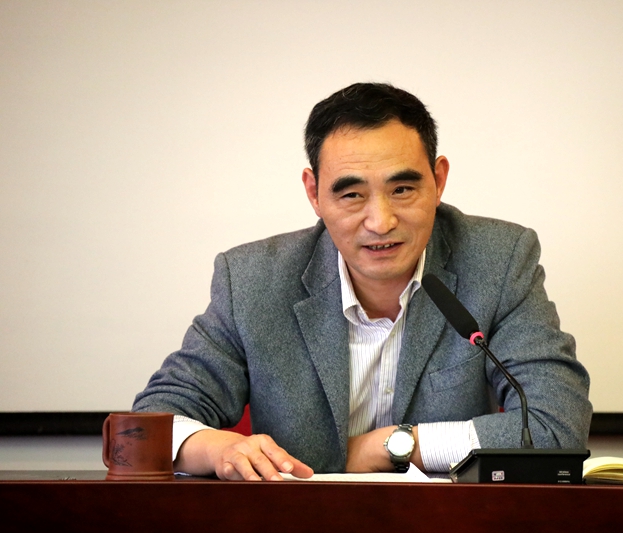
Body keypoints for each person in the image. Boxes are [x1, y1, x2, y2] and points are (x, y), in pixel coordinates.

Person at [132, 82, 592, 481]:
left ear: (438, 180)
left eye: (403, 189)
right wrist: (218, 449)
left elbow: (554, 425)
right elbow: (147, 427)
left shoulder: (498, 261)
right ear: (314, 193)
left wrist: (392, 445)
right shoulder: (254, 279)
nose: (380, 221)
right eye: (352, 194)